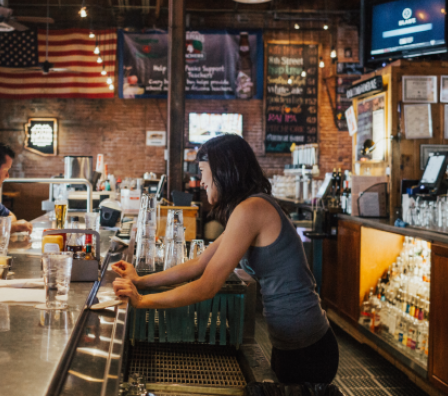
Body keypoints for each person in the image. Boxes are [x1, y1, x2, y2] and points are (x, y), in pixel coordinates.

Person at [112, 134, 339, 385]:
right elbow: (199, 265)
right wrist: (141, 281)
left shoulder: (251, 210)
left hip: (308, 348)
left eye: (202, 172)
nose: (201, 182)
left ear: (222, 171)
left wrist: (142, 301)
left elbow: (207, 286)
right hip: (291, 342)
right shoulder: (247, 209)